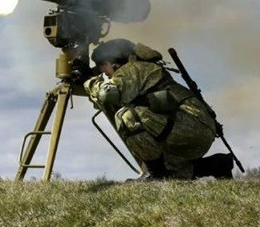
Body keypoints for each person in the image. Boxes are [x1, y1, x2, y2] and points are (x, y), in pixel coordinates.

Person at [83, 39, 233, 180]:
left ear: (114, 63)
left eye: (103, 65)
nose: (103, 71)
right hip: (196, 129)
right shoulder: (144, 68)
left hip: (187, 126)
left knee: (127, 117)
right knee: (170, 168)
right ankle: (217, 164)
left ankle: (157, 176)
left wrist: (88, 81)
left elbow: (108, 94)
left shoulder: (133, 68)